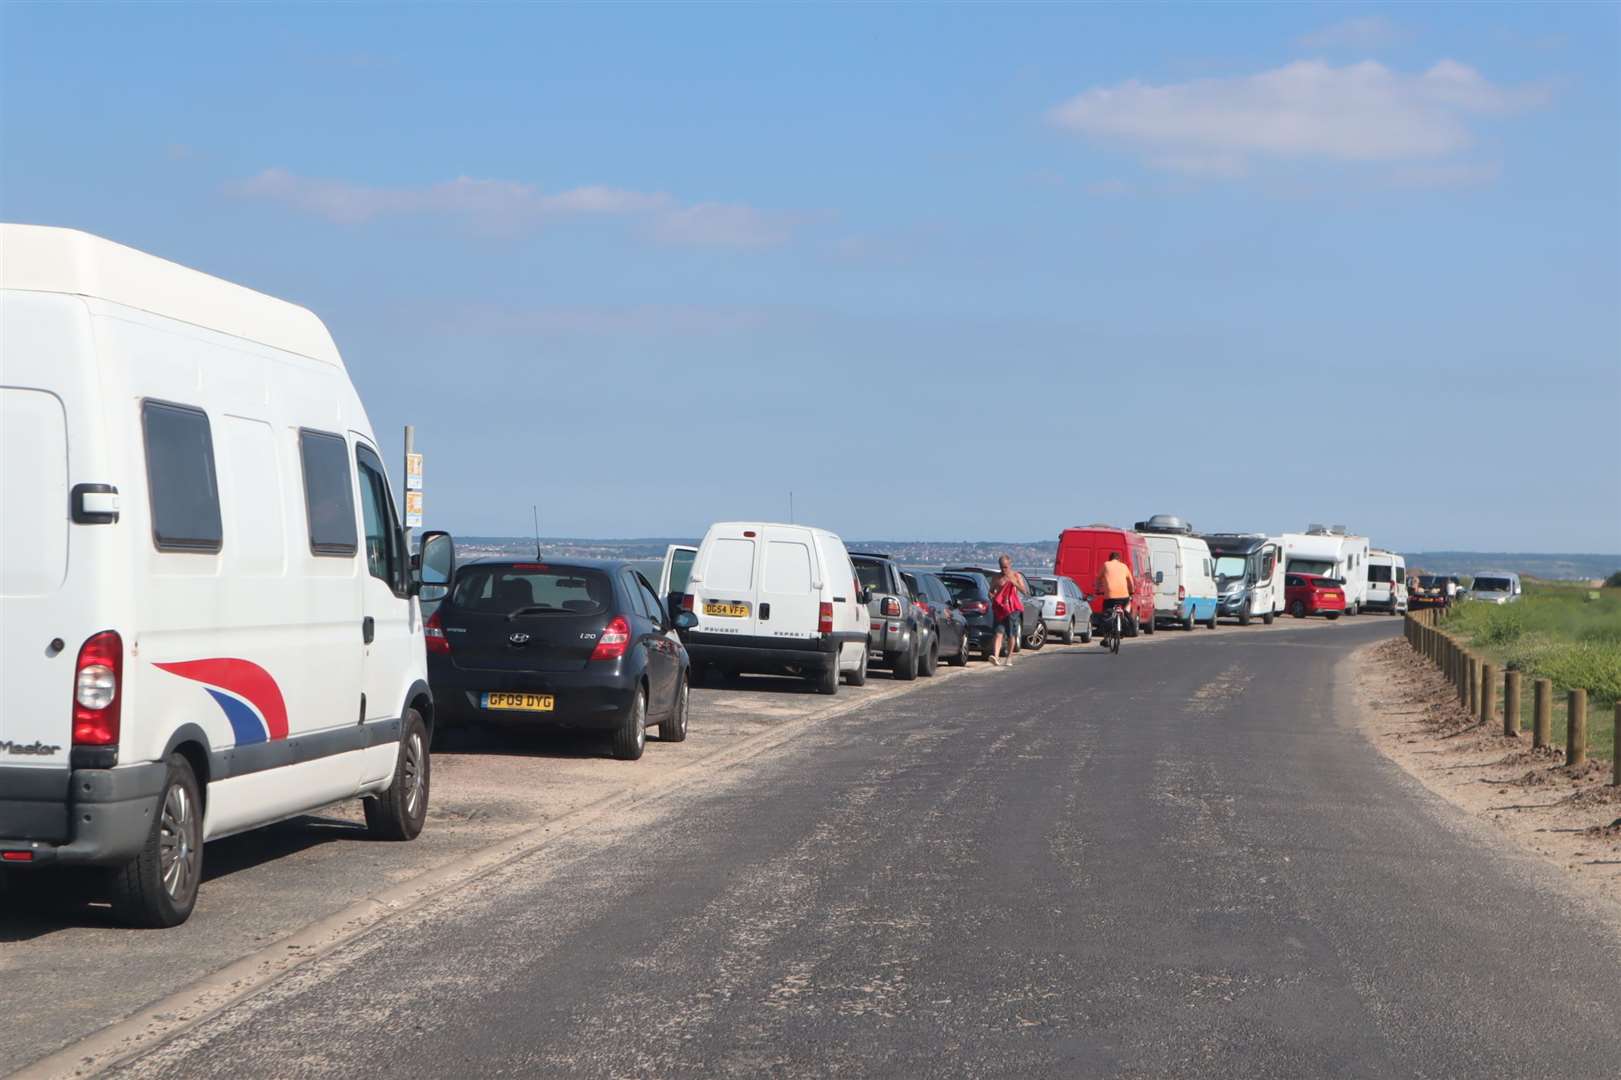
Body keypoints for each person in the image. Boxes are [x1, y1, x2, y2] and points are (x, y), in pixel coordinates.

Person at [988, 555, 1029, 668]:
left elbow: (1024, 591)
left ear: (1010, 564)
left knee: (1011, 634)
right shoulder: (996, 577)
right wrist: (993, 596)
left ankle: (1009, 656)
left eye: (1005, 567)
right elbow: (990, 591)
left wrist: (1013, 582)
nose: (1003, 570)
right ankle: (995, 657)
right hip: (1000, 608)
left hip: (1012, 608)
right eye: (1001, 567)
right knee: (998, 632)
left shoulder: (1016, 575)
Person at [1095, 550, 1136, 642]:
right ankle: (1127, 627)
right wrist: (1131, 592)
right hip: (1124, 596)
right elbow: (1130, 581)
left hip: (1110, 596)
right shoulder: (1124, 566)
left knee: (1106, 612)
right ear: (1119, 559)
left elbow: (1098, 578)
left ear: (1110, 559)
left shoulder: (1106, 565)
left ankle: (1105, 637)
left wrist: (1097, 589)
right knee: (1125, 611)